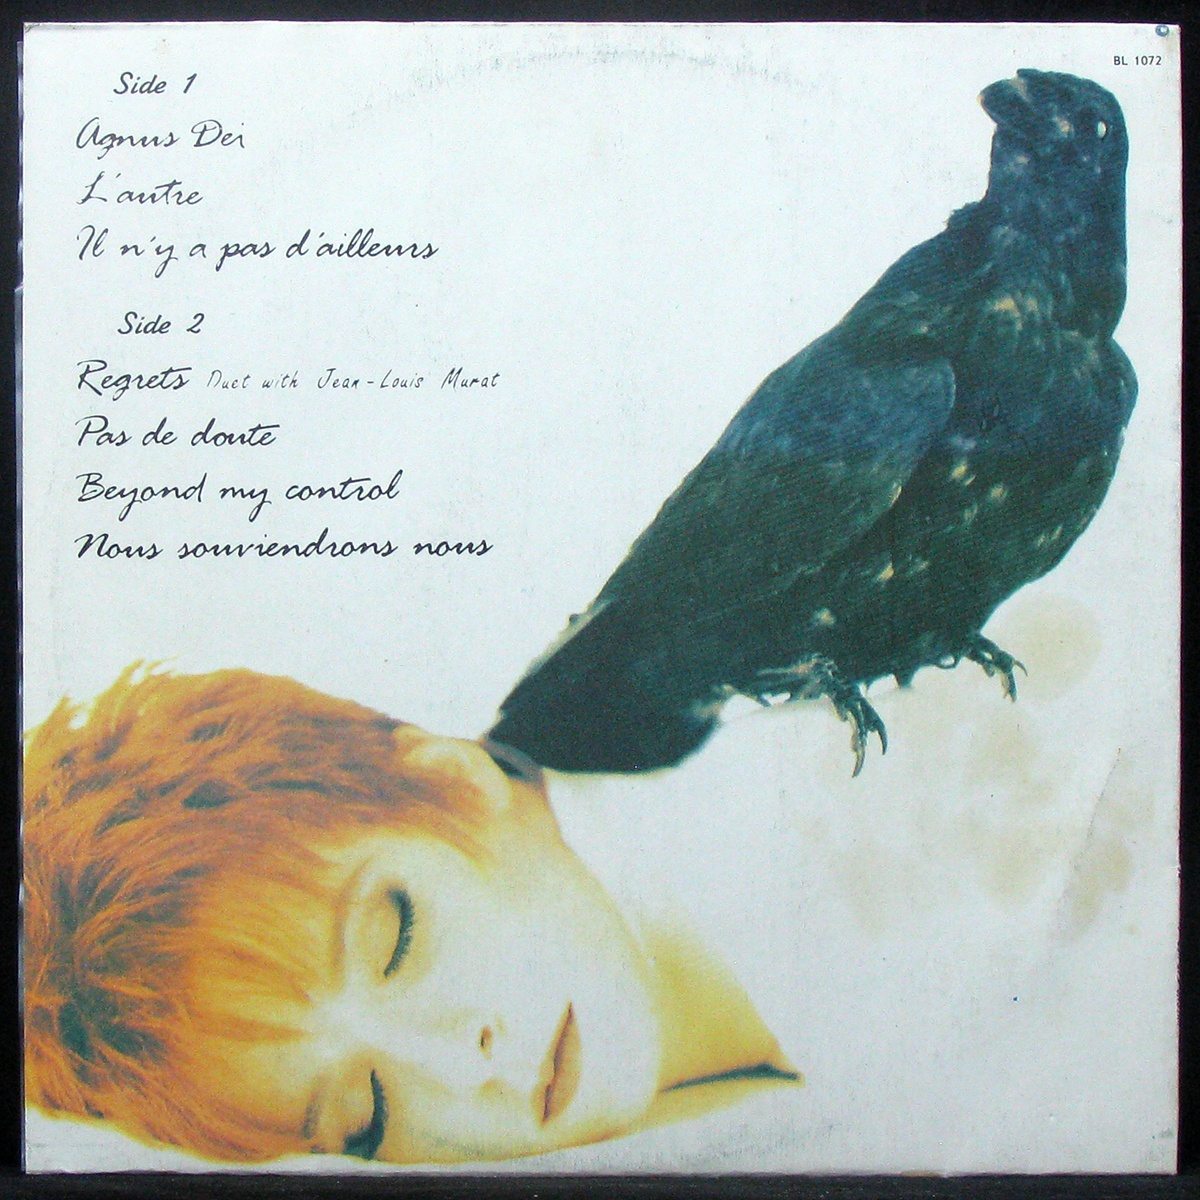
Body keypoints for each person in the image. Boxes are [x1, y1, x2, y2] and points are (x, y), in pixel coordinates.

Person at [23, 665, 798, 1165]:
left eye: (397, 944)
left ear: (455, 780)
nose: (460, 1069)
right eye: (369, 1114)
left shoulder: (815, 806)